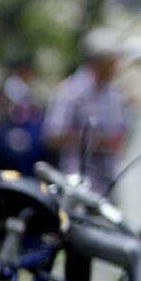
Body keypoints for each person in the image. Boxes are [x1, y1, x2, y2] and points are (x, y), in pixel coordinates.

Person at [42, 30, 126, 192]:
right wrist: (93, 141)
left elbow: (120, 133)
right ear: (99, 61)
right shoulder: (71, 91)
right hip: (77, 180)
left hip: (108, 180)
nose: (116, 65)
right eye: (112, 59)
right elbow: (52, 135)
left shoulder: (113, 95)